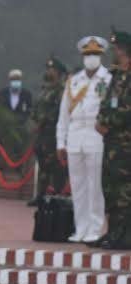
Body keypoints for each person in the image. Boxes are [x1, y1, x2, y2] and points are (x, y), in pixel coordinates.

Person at [57, 36, 112, 244]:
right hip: (75, 136)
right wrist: (60, 142)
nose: (91, 58)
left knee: (95, 185)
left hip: (96, 135)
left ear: (101, 56)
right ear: (82, 56)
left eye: (95, 54)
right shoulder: (74, 81)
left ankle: (95, 228)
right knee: (77, 186)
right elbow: (63, 114)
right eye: (88, 54)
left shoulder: (108, 79)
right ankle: (80, 228)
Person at [95, 29, 131, 250]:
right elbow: (107, 103)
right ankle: (113, 232)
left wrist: (108, 122)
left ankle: (125, 235)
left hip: (126, 144)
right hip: (112, 143)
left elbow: (127, 110)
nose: (115, 53)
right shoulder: (116, 76)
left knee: (124, 191)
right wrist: (101, 120)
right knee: (110, 188)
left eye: (117, 49)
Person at [27, 56, 69, 207]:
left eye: (52, 69)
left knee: (56, 167)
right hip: (42, 134)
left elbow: (58, 111)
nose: (49, 72)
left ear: (58, 72)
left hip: (53, 133)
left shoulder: (61, 90)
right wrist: (34, 120)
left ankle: (57, 195)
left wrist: (42, 122)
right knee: (43, 165)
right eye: (48, 69)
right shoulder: (45, 89)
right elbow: (36, 108)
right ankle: (41, 195)